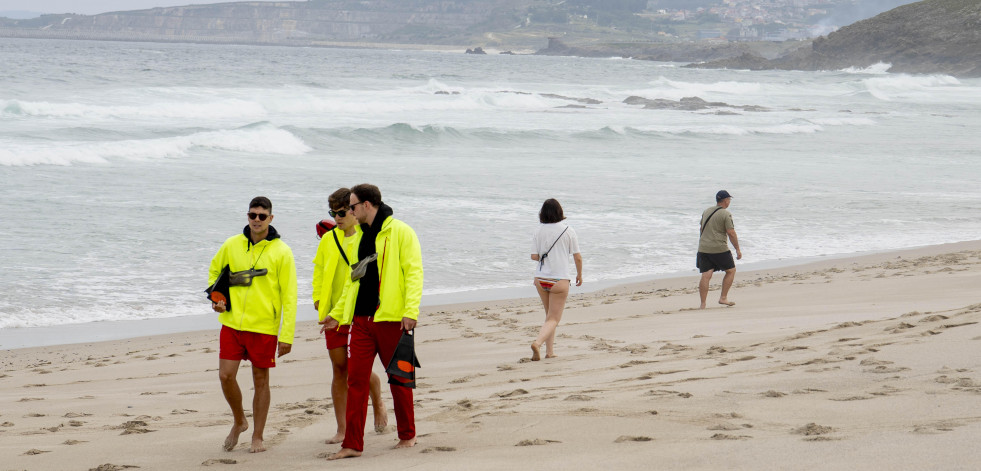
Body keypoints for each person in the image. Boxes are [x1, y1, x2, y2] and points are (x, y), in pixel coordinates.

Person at [322, 183, 423, 460]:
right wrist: (338, 313)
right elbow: (354, 281)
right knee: (356, 380)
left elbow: (414, 273)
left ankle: (407, 435)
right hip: (361, 321)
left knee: (399, 378)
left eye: (352, 206)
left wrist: (411, 311)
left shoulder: (401, 231)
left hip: (392, 319)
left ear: (366, 205)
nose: (349, 211)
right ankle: (353, 444)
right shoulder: (361, 237)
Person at [208, 196, 297, 453]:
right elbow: (215, 274)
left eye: (261, 216)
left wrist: (287, 335)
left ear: (270, 218)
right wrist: (218, 298)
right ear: (247, 216)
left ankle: (258, 436)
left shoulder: (282, 251)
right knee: (225, 376)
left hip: (263, 327)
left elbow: (289, 296)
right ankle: (239, 421)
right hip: (232, 323)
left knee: (261, 380)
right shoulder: (232, 244)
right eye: (252, 215)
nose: (256, 220)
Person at [312, 188, 388, 445]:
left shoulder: (366, 238)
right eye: (332, 213)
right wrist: (317, 298)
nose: (337, 218)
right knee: (339, 367)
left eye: (342, 212)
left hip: (357, 311)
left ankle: (376, 400)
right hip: (332, 312)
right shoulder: (328, 239)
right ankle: (342, 429)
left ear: (355, 210)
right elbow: (319, 271)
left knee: (357, 368)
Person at [530, 198, 582, 361]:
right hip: (559, 280)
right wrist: (579, 275)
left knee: (549, 317)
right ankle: (537, 343)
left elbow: (534, 256)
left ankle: (549, 352)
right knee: (554, 318)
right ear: (560, 212)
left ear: (542, 213)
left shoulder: (538, 231)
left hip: (540, 279)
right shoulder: (568, 230)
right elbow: (577, 257)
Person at [697, 190, 743, 309]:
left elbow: (701, 229)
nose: (729, 202)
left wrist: (704, 242)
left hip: (703, 248)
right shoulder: (725, 214)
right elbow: (731, 232)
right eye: (729, 200)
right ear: (726, 200)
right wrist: (737, 249)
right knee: (731, 271)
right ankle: (723, 298)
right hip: (719, 248)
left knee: (706, 275)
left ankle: (703, 304)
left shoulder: (706, 211)